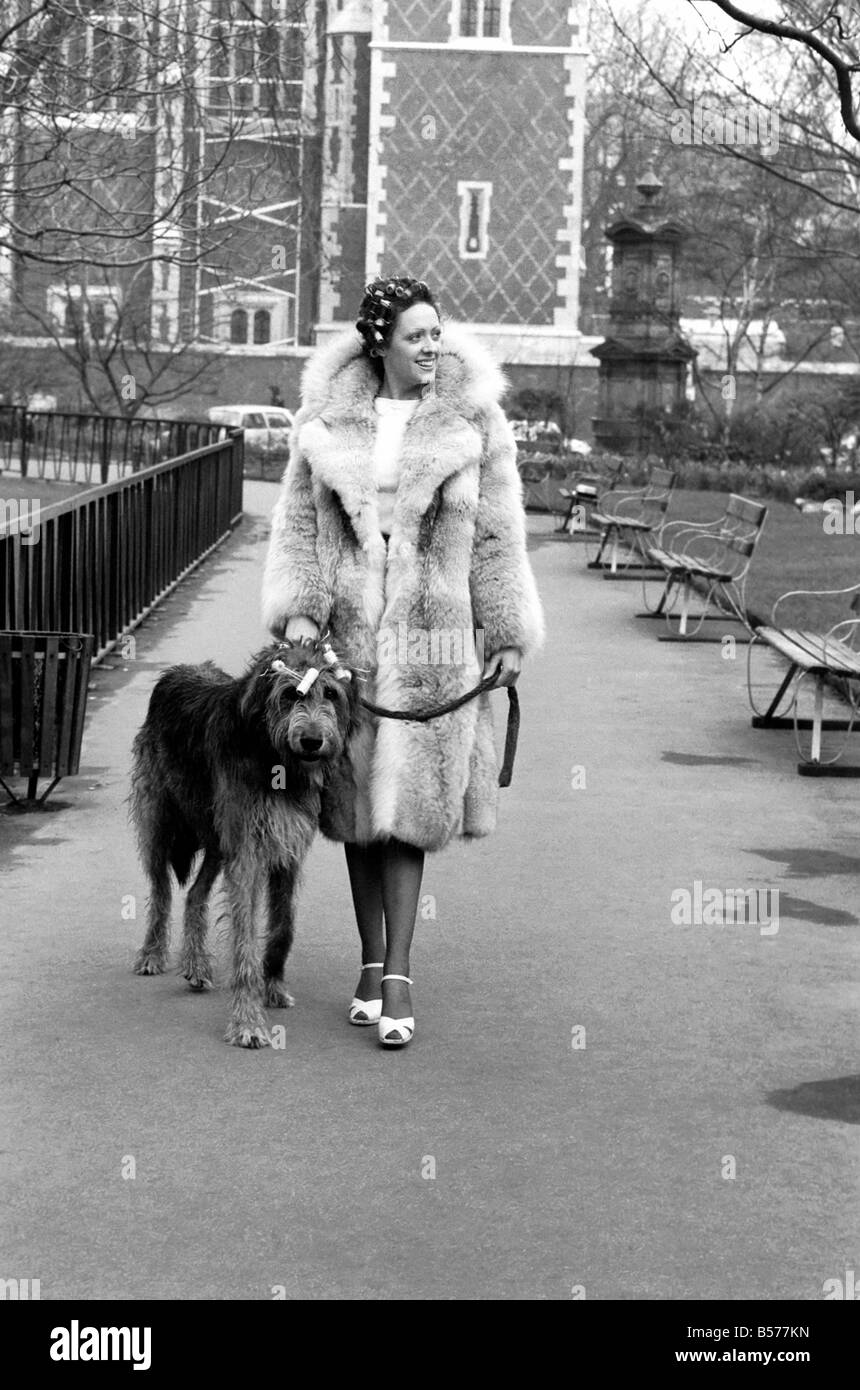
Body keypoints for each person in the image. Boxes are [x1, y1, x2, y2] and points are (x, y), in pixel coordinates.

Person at [261, 274, 545, 1048]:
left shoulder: (474, 421)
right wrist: (299, 613)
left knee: (411, 812)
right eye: (417, 335)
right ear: (379, 340)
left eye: (437, 334)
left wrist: (508, 630)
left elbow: (496, 534)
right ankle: (369, 957)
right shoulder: (326, 419)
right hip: (348, 639)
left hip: (433, 641)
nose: (431, 346)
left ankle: (399, 977)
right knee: (355, 809)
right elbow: (298, 527)